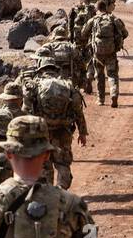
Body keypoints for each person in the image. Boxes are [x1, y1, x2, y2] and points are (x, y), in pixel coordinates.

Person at [20, 54, 88, 189]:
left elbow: (26, 110)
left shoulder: (34, 86)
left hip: (40, 132)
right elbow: (77, 110)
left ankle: (48, 195)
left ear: (41, 69)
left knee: (44, 165)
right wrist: (82, 132)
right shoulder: (67, 85)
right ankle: (62, 189)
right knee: (63, 163)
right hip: (63, 131)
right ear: (55, 69)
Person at [80, 0, 128, 107]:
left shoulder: (94, 20)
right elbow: (125, 33)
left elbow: (83, 33)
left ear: (97, 8)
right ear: (105, 8)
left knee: (99, 75)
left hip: (98, 53)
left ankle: (101, 100)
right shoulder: (113, 18)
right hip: (111, 52)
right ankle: (114, 94)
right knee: (112, 74)